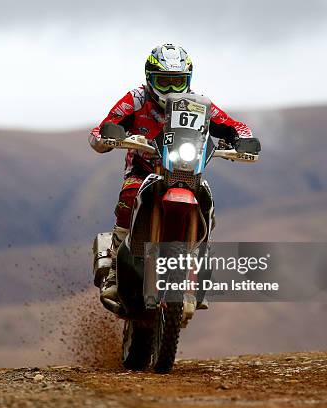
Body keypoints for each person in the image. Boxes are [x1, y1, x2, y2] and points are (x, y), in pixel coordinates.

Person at [89, 43, 255, 308]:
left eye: (177, 82)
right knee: (129, 196)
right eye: (163, 82)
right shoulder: (136, 99)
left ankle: (198, 272)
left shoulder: (200, 105)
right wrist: (106, 136)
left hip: (186, 170)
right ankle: (113, 271)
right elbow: (104, 127)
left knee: (207, 204)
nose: (171, 89)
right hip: (144, 169)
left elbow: (233, 125)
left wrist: (243, 139)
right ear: (149, 78)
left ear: (187, 80)